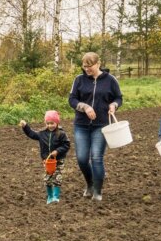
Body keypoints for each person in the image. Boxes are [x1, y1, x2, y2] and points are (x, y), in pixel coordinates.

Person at [68, 52, 123, 202]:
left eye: (89, 66)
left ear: (98, 64)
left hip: (101, 125)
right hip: (81, 125)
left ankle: (97, 191)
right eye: (84, 66)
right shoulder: (79, 80)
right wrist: (84, 107)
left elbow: (118, 97)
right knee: (82, 159)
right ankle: (90, 184)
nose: (87, 69)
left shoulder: (110, 80)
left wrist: (114, 105)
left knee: (97, 157)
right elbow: (72, 99)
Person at [20, 110, 71, 205]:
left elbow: (66, 145)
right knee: (47, 179)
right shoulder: (42, 133)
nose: (50, 125)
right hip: (47, 161)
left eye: (52, 123)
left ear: (57, 122)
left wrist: (57, 151)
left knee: (57, 177)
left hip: (58, 160)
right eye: (48, 123)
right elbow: (32, 134)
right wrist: (25, 126)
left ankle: (56, 197)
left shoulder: (61, 134)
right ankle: (50, 196)